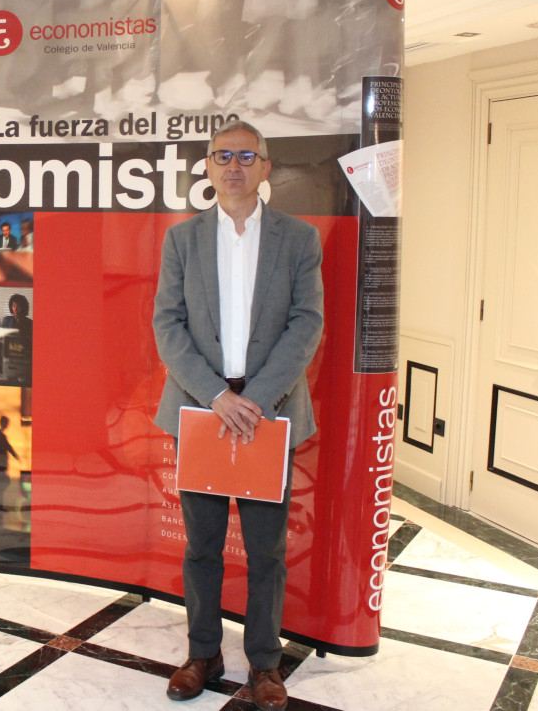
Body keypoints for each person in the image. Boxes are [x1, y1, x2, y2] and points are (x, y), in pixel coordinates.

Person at [152, 120, 324, 710]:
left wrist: (259, 399)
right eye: (222, 156)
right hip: (202, 410)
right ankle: (203, 654)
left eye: (247, 156)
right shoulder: (182, 240)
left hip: (268, 414)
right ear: (207, 166)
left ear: (266, 167)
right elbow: (167, 325)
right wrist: (216, 397)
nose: (233, 166)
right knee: (201, 545)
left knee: (266, 550)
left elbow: (307, 323)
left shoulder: (298, 239)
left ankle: (265, 664)